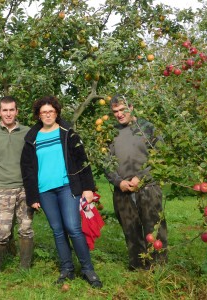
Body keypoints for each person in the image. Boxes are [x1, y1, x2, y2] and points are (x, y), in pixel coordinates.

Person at [21, 95, 102, 288]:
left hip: (67, 187)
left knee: (73, 228)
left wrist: (88, 187)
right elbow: (27, 170)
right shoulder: (32, 138)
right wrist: (32, 196)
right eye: (44, 112)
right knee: (58, 231)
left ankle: (88, 269)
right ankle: (67, 269)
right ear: (38, 115)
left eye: (51, 111)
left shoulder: (67, 133)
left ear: (56, 112)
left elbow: (82, 160)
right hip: (45, 191)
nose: (47, 115)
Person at [105, 94, 168, 271]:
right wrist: (118, 182)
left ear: (131, 107)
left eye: (122, 109)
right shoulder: (111, 133)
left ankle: (159, 268)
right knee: (130, 229)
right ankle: (138, 268)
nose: (119, 114)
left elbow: (159, 157)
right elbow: (105, 161)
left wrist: (141, 177)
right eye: (115, 111)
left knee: (154, 227)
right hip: (123, 190)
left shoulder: (147, 128)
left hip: (148, 187)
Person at [0, 96, 34, 272]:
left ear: (17, 111)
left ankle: (25, 267)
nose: (8, 113)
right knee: (2, 232)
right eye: (5, 110)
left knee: (26, 229)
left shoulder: (28, 132)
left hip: (25, 189)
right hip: (2, 189)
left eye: (12, 109)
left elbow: (35, 162)